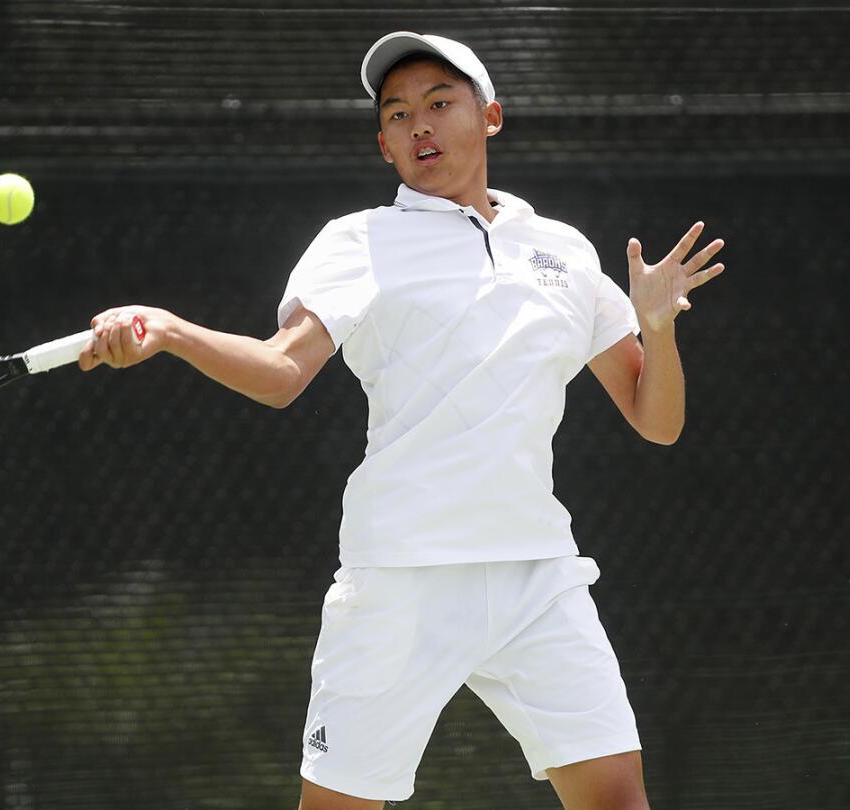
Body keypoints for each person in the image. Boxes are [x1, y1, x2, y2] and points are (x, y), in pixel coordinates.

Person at [78, 31, 725, 810]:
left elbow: (657, 422)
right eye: (398, 113)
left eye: (440, 103)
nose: (420, 124)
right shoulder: (358, 243)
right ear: (383, 144)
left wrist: (657, 328)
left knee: (619, 800)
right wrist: (173, 331)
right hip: (400, 575)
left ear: (490, 116)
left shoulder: (563, 252)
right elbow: (282, 372)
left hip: (537, 574)